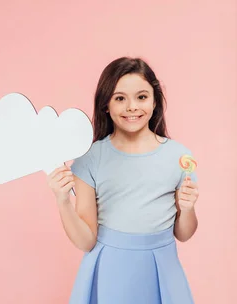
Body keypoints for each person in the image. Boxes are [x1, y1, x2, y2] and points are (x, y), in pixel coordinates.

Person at [47, 57, 199, 303]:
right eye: (120, 98)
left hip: (162, 267)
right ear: (106, 104)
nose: (132, 107)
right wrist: (62, 200)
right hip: (109, 271)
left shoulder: (178, 156)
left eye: (141, 97)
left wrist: (189, 208)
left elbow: (183, 233)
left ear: (155, 101)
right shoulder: (90, 158)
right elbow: (86, 240)